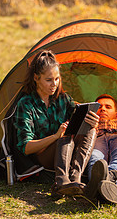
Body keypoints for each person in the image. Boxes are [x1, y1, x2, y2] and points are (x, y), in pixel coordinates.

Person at [13, 49, 99, 196]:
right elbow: (26, 148)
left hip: (67, 149)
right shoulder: (26, 104)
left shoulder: (63, 99)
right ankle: (61, 181)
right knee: (64, 135)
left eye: (57, 79)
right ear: (36, 78)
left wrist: (92, 122)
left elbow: (78, 123)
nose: (54, 84)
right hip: (42, 155)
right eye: (48, 80)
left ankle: (75, 178)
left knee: (90, 130)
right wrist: (55, 136)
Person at [85, 94, 117, 206]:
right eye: (98, 107)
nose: (102, 109)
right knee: (94, 156)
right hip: (96, 137)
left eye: (108, 107)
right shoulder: (88, 123)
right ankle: (105, 186)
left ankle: (109, 179)